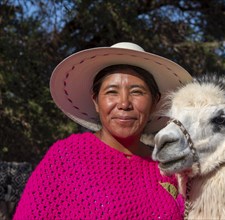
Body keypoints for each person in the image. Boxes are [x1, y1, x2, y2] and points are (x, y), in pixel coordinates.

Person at [13, 42, 193, 219]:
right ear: (95, 100)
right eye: (112, 92)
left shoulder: (167, 168)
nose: (124, 104)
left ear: (155, 101)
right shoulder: (67, 157)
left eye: (137, 92)